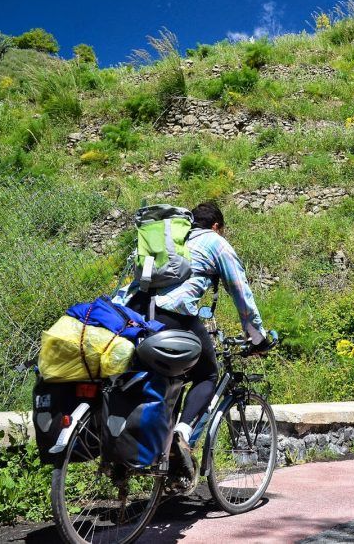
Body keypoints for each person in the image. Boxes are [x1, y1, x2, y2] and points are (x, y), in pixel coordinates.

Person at [117, 202, 275, 471]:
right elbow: (239, 290)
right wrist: (256, 336)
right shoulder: (214, 241)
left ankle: (159, 458)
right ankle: (182, 435)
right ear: (216, 226)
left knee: (158, 379)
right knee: (207, 375)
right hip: (172, 317)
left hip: (132, 314)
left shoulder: (165, 240)